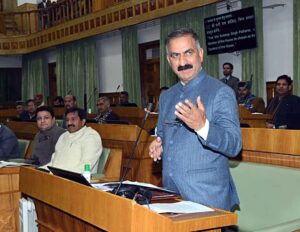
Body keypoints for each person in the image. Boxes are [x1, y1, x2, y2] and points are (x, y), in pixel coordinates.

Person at [149, 28, 242, 211]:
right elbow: (162, 133)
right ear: (169, 61)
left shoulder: (221, 92)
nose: (182, 62)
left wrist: (202, 126)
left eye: (188, 53)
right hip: (171, 195)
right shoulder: (167, 96)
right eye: (175, 56)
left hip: (207, 198)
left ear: (200, 54)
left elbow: (234, 145)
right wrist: (159, 143)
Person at [41, 108, 102, 173]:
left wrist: (61, 175)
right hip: (56, 177)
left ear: (83, 121)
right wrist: (40, 170)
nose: (69, 123)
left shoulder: (91, 136)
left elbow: (86, 166)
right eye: (67, 120)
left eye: (73, 119)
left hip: (75, 180)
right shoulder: (63, 136)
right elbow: (53, 162)